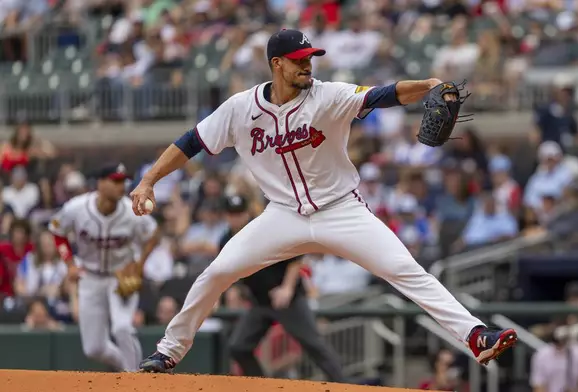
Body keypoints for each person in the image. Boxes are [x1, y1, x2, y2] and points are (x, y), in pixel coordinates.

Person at [132, 28, 518, 373]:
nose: (308, 66)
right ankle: (170, 350)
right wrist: (149, 179)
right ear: (277, 64)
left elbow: (385, 94)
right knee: (217, 272)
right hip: (282, 216)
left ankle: (475, 336)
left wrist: (429, 84)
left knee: (405, 269)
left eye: (311, 58)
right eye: (299, 61)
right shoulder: (240, 109)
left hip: (341, 210)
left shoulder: (328, 95)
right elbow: (190, 142)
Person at [48, 163, 160, 372]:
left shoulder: (130, 210)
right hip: (90, 276)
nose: (121, 185)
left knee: (122, 328)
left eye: (122, 180)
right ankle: (128, 369)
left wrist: (140, 264)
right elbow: (57, 230)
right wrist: (70, 264)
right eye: (115, 180)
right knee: (93, 348)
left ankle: (136, 380)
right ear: (100, 183)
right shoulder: (77, 207)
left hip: (120, 276)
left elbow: (153, 233)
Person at [221, 194, 344, 381]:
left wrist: (287, 288)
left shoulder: (261, 230)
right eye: (231, 214)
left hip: (289, 300)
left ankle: (346, 385)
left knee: (314, 345)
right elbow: (225, 269)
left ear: (247, 213)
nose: (235, 218)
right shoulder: (226, 239)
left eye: (239, 214)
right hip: (260, 301)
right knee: (239, 347)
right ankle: (261, 385)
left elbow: (295, 256)